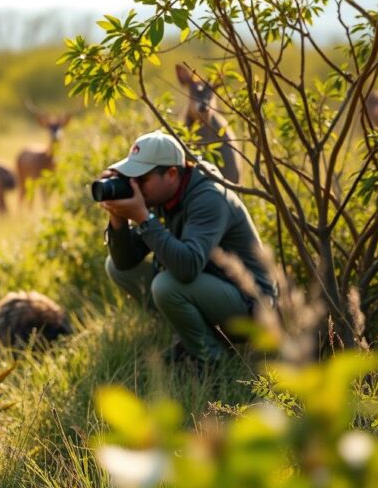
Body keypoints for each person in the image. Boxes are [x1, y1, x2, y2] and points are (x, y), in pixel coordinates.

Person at [99, 131, 275, 363]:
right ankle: (193, 333)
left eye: (141, 179)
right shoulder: (164, 194)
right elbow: (125, 261)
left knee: (165, 286)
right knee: (115, 267)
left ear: (172, 174)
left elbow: (187, 267)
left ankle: (210, 359)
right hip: (213, 288)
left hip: (251, 307)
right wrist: (118, 218)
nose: (135, 187)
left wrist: (143, 218)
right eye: (130, 177)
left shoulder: (208, 198)